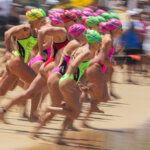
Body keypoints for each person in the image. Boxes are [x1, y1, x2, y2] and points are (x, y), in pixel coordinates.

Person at [0, 10, 77, 122]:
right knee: (36, 88)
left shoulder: (34, 32)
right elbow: (8, 33)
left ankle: (4, 112)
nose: (42, 21)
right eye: (41, 19)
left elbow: (34, 47)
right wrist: (9, 50)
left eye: (43, 19)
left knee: (3, 91)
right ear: (34, 19)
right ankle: (33, 116)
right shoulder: (26, 28)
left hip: (18, 62)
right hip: (16, 61)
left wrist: (47, 45)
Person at [48, 27, 102, 144]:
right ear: (93, 42)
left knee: (73, 111)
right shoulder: (86, 52)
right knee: (75, 113)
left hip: (69, 82)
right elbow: (73, 64)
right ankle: (49, 109)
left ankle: (60, 137)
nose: (100, 44)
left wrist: (79, 83)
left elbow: (76, 66)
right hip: (68, 83)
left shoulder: (84, 49)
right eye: (99, 42)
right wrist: (68, 78)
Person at [82, 18, 122, 127]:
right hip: (96, 68)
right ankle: (81, 118)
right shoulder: (108, 39)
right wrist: (114, 64)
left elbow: (103, 56)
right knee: (99, 97)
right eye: (120, 28)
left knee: (99, 97)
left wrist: (112, 61)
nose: (121, 30)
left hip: (97, 68)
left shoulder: (107, 38)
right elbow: (103, 60)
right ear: (114, 29)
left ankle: (82, 117)